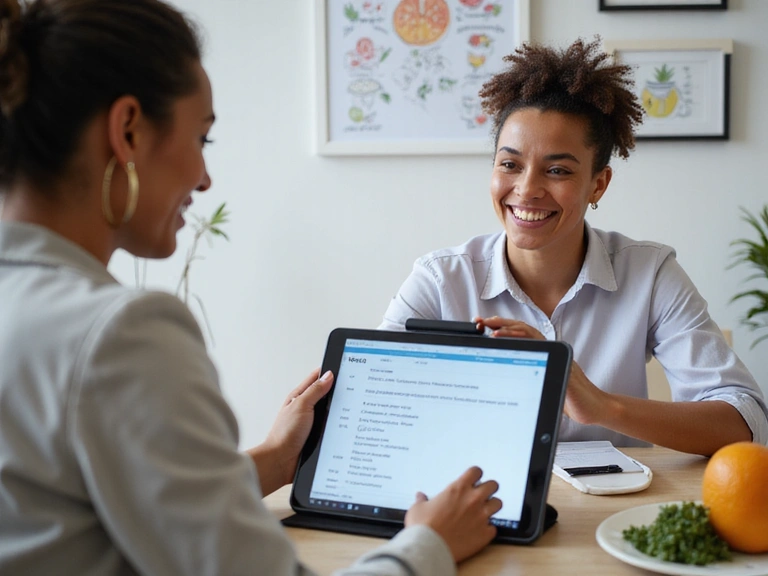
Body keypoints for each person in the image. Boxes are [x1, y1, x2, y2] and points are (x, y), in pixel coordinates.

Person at [0, 1, 502, 574]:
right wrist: (429, 543)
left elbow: (92, 501)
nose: (204, 177)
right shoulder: (119, 335)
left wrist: (275, 459)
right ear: (128, 129)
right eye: (202, 139)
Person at [380, 38, 768, 456]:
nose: (526, 190)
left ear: (598, 183)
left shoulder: (649, 273)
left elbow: (744, 423)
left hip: (612, 513)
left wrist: (599, 405)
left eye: (558, 170)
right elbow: (374, 402)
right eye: (509, 164)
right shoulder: (441, 279)